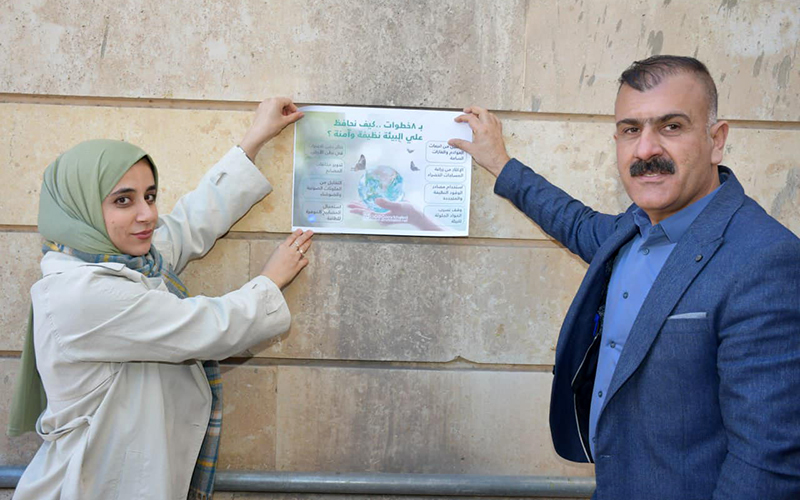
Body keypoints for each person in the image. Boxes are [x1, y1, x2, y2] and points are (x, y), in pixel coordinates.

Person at [449, 56, 800, 499]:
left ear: (716, 140)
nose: (646, 149)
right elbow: (572, 220)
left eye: (671, 126)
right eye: (631, 129)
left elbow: (767, 466)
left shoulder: (766, 260)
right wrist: (500, 163)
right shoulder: (629, 232)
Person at [9, 97, 312, 499]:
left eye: (149, 196)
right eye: (123, 200)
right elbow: (205, 328)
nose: (147, 214)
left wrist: (255, 139)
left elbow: (189, 224)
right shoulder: (81, 294)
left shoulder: (126, 261)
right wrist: (270, 280)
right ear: (81, 208)